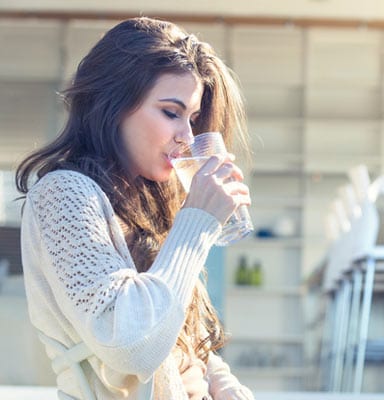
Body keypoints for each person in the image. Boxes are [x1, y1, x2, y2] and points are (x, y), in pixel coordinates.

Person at [15, 16, 255, 400]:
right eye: (170, 112)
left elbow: (179, 335)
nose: (187, 137)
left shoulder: (147, 200)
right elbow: (129, 343)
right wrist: (198, 223)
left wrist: (224, 385)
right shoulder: (64, 193)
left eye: (192, 119)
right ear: (114, 105)